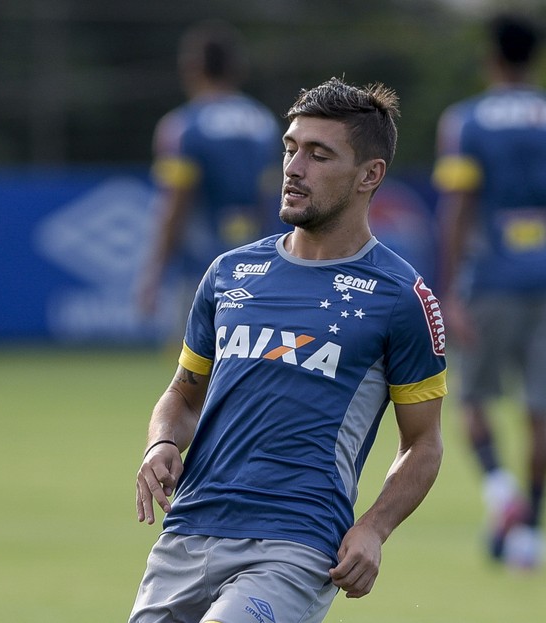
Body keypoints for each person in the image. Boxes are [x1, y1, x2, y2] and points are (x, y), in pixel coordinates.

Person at [131, 78, 447, 623]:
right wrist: (160, 442)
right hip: (187, 530)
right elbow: (183, 396)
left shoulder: (401, 296)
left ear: (369, 175)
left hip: (294, 544)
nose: (294, 167)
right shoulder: (229, 272)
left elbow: (423, 443)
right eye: (291, 148)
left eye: (319, 154)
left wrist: (374, 527)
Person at [432, 13, 546, 569]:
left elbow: (458, 209)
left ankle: (499, 491)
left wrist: (448, 290)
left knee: (471, 401)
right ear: (537, 58)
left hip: (489, 280)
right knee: (540, 414)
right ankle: (530, 534)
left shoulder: (467, 121)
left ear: (493, 57)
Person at [137, 20, 283, 321]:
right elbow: (273, 198)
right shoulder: (265, 124)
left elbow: (175, 205)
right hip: (257, 267)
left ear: (192, 67)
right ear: (236, 68)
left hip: (201, 268)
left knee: (194, 364)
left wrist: (154, 273)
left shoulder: (183, 127)